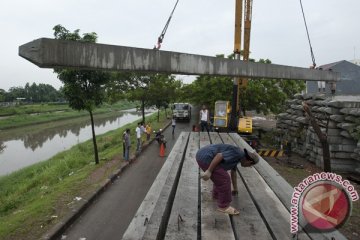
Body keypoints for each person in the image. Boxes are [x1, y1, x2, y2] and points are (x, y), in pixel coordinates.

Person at [196, 144, 259, 215]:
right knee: (225, 179)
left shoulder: (239, 158)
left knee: (220, 177)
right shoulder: (238, 153)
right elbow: (219, 155)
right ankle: (224, 206)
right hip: (206, 157)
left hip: (203, 155)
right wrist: (209, 171)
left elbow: (233, 173)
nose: (248, 167)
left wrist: (235, 189)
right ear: (249, 162)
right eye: (250, 166)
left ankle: (216, 196)